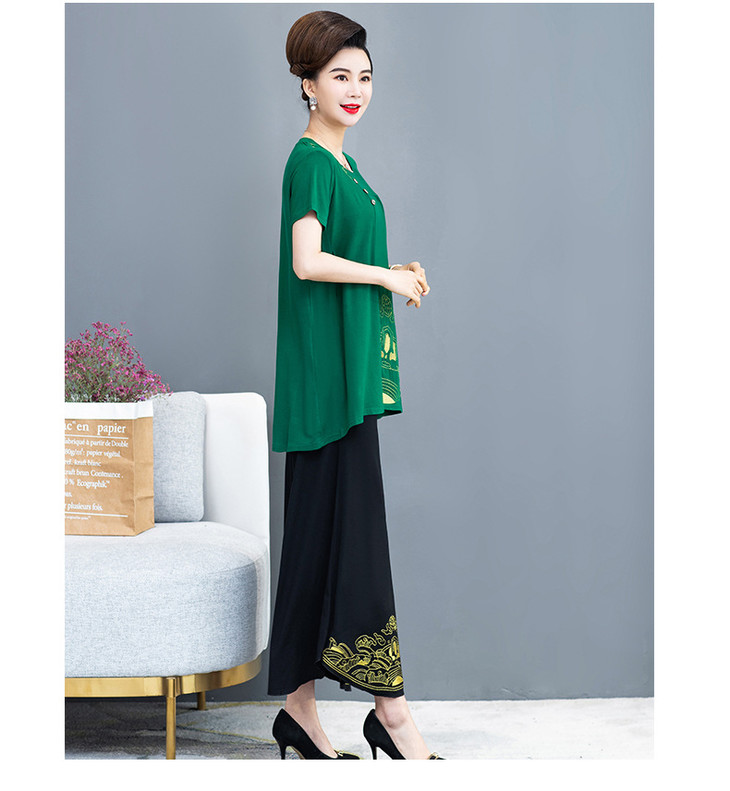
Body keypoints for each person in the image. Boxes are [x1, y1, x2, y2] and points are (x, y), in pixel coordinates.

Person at [267, 11, 443, 761]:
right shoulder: (311, 160)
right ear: (307, 84)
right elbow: (308, 261)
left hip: (342, 381)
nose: (355, 89)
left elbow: (339, 254)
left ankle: (299, 711)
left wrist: (392, 271)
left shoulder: (345, 166)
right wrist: (384, 276)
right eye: (339, 75)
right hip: (326, 387)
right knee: (355, 543)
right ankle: (391, 715)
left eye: (364, 76)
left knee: (318, 542)